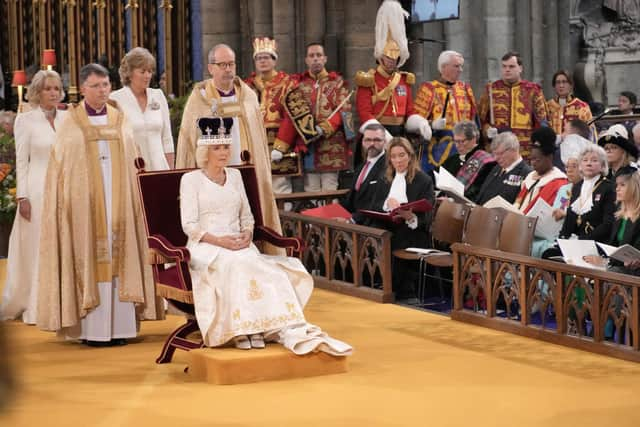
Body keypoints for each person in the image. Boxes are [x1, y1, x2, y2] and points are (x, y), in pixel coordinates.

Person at [180, 117, 348, 353]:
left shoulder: (235, 176)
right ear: (205, 151)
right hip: (206, 246)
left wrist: (247, 234)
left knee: (258, 265)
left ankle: (258, 327)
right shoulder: (190, 180)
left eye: (226, 147)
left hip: (238, 242)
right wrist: (220, 241)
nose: (223, 152)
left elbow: (247, 217)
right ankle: (240, 330)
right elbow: (189, 225)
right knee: (234, 265)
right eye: (217, 148)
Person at [36, 63, 161, 346]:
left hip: (119, 203)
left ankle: (121, 329)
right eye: (96, 86)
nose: (103, 91)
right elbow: (62, 169)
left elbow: (133, 158)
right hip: (85, 208)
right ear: (83, 89)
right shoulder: (71, 123)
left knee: (120, 256)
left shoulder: (120, 119)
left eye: (106, 85)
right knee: (91, 257)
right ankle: (93, 331)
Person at [176, 44, 281, 244]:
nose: (228, 69)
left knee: (251, 212)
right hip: (211, 178)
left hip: (247, 170)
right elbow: (188, 142)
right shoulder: (200, 99)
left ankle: (252, 243)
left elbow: (258, 138)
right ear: (210, 68)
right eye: (222, 65)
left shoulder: (247, 95)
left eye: (231, 64)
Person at [0, 70, 67, 324]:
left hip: (64, 188)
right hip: (37, 190)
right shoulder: (25, 121)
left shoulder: (68, 118)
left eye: (56, 88)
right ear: (37, 93)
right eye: (47, 89)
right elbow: (22, 161)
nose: (52, 93)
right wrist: (22, 197)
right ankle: (38, 302)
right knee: (39, 245)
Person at [274, 42, 351, 192]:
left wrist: (324, 128)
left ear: (325, 59)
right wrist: (281, 145)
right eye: (311, 56)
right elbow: (290, 116)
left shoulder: (337, 83)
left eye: (319, 55)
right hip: (308, 147)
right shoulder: (298, 85)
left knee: (330, 189)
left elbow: (344, 111)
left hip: (331, 145)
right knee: (311, 190)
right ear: (306, 60)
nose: (315, 59)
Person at [354, 0, 431, 142]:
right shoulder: (368, 79)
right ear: (380, 56)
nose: (391, 61)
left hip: (399, 136)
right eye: (388, 57)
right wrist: (381, 135)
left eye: (395, 58)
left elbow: (408, 112)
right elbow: (365, 113)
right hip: (375, 137)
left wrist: (420, 123)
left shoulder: (403, 80)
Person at [372, 137, 435, 301]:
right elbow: (375, 204)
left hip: (414, 232)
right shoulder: (385, 178)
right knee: (377, 233)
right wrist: (387, 204)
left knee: (399, 237)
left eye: (402, 155)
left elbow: (428, 215)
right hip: (388, 226)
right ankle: (379, 283)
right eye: (393, 157)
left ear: (410, 156)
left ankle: (402, 290)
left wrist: (411, 217)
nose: (398, 160)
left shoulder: (423, 180)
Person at [541, 144, 616, 259]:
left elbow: (607, 224)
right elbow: (570, 217)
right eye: (585, 160)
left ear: (602, 166)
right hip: (576, 242)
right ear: (580, 166)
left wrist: (582, 241)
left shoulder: (608, 188)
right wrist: (562, 240)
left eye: (594, 160)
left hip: (596, 243)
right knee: (549, 255)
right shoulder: (577, 187)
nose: (589, 163)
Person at [245, 37, 299, 195]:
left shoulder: (287, 83)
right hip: (255, 141)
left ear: (274, 60)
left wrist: (281, 145)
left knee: (280, 187)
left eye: (267, 57)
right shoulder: (248, 86)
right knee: (258, 187)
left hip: (279, 141)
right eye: (259, 58)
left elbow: (292, 116)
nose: (262, 61)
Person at [110, 47, 174, 170]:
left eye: (150, 71)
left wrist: (171, 172)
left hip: (160, 169)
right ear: (129, 73)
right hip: (131, 170)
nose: (148, 76)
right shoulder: (115, 99)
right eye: (142, 71)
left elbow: (167, 139)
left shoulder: (158, 95)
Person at [413, 50, 478, 171]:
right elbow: (415, 125)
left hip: (466, 148)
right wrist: (432, 125)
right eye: (456, 66)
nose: (460, 70)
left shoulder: (465, 88)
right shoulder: (429, 89)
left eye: (461, 66)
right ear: (443, 67)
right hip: (439, 151)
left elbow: (474, 120)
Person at [478, 51, 548, 160]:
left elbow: (541, 122)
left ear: (520, 68)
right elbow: (481, 120)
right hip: (497, 150)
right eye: (504, 66)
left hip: (524, 152)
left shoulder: (533, 90)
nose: (507, 69)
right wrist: (487, 131)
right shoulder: (491, 89)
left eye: (511, 66)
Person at [584, 170, 640, 276]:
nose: (617, 189)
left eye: (622, 185)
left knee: (607, 274)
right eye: (617, 185)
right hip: (620, 265)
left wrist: (604, 262)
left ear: (634, 188)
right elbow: (614, 246)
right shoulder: (619, 215)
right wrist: (603, 260)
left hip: (633, 271)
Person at [339, 123, 387, 225]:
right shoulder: (361, 166)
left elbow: (378, 202)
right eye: (368, 140)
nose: (372, 144)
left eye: (377, 140)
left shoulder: (389, 166)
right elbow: (354, 195)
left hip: (373, 225)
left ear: (385, 142)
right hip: (354, 222)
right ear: (362, 142)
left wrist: (352, 220)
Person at [514, 127, 568, 214]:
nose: (533, 163)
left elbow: (559, 214)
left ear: (549, 157)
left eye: (537, 160)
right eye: (531, 159)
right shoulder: (530, 178)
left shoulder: (562, 184)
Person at [441, 120, 495, 201]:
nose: (457, 145)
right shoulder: (452, 159)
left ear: (473, 139)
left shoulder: (487, 162)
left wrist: (452, 200)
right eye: (455, 141)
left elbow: (479, 191)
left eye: (462, 141)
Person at [473, 131, 532, 205]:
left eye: (500, 154)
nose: (496, 158)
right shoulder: (496, 168)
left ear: (513, 150)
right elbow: (481, 195)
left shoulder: (527, 174)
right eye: (494, 154)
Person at [546, 70, 595, 141]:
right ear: (554, 86)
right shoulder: (547, 106)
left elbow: (591, 132)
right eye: (558, 82)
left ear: (571, 85)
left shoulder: (582, 107)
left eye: (564, 82)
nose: (561, 85)